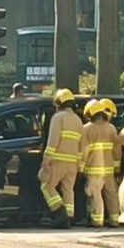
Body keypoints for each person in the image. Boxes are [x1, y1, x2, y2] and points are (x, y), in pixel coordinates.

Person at [39, 88, 83, 228]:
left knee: (46, 186)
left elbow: (53, 140)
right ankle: (69, 217)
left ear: (58, 103)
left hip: (57, 159)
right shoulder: (78, 120)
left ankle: (59, 211)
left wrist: (46, 159)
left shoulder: (58, 118)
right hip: (73, 163)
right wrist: (79, 164)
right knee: (68, 189)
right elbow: (82, 144)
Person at [79, 100, 122, 228]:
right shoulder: (111, 128)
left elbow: (84, 150)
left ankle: (97, 221)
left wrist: (80, 168)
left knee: (94, 195)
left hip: (93, 169)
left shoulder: (86, 129)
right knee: (111, 195)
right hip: (109, 169)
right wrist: (117, 166)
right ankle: (114, 220)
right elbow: (117, 149)